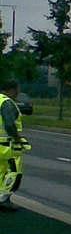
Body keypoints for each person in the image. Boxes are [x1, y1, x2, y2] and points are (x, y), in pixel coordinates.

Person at [0, 80, 31, 211]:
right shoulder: (7, 103)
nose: (18, 93)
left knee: (1, 172)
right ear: (11, 90)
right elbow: (9, 124)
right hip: (7, 145)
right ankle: (3, 200)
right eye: (17, 90)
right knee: (13, 172)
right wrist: (18, 139)